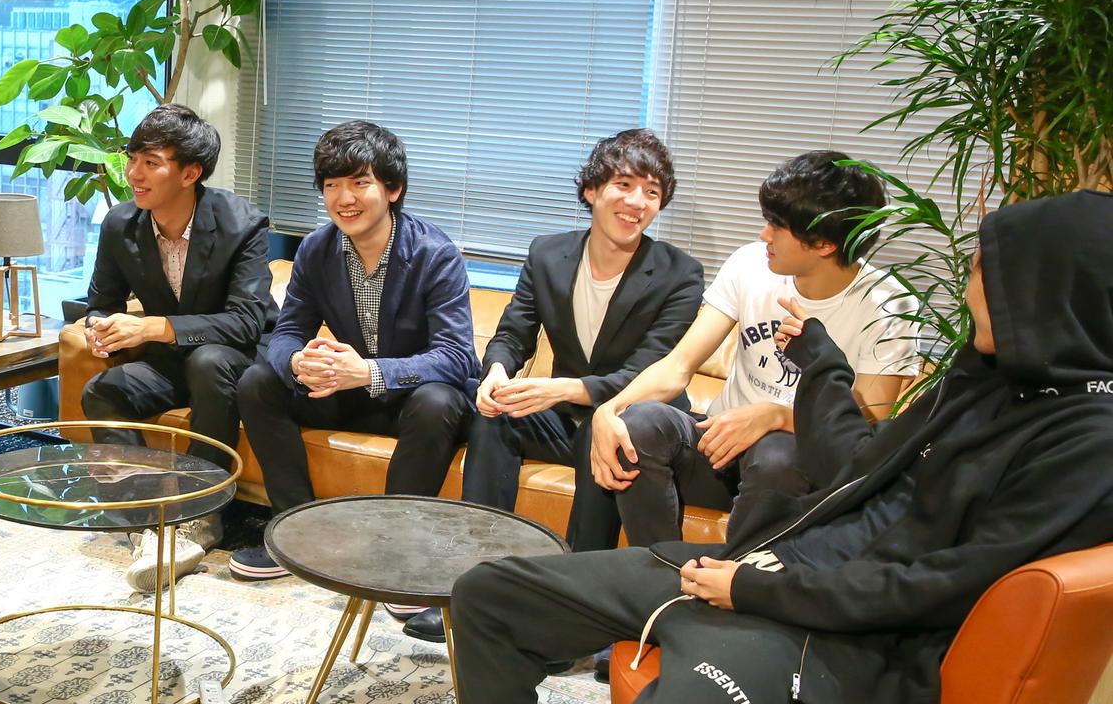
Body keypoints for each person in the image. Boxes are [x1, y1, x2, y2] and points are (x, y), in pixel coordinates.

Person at [452, 188, 1113, 704]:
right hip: (766, 571)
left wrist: (756, 589)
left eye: (980, 270)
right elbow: (859, 467)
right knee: (489, 595)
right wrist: (822, 364)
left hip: (839, 641)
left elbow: (939, 586)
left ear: (1045, 287)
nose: (967, 288)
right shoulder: (986, 377)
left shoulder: (1087, 442)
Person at [401, 130, 703, 642]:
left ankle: (578, 616)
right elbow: (512, 333)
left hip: (635, 420)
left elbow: (648, 371)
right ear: (591, 190)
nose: (637, 202)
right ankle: (474, 590)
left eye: (652, 192)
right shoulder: (547, 254)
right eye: (624, 185)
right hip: (564, 416)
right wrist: (497, 373)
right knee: (494, 417)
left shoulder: (680, 274)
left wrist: (562, 389)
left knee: (602, 436)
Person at [586, 151, 918, 549]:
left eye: (777, 226)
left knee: (778, 450)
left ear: (824, 244)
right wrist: (609, 410)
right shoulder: (749, 264)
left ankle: (734, 578)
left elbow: (869, 422)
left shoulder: (889, 304)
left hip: (797, 470)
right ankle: (658, 568)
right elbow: (678, 365)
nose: (764, 236)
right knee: (639, 422)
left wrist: (776, 416)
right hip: (717, 449)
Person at [230, 120, 479, 581]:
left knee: (438, 400)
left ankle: (394, 553)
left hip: (412, 403)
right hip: (347, 395)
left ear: (393, 189)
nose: (344, 198)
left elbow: (458, 356)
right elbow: (287, 331)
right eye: (331, 185)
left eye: (360, 183)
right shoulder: (316, 249)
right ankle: (297, 534)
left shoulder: (434, 253)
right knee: (259, 380)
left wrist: (368, 372)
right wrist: (298, 361)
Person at [79, 103, 273, 589]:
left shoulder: (241, 223)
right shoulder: (120, 224)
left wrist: (154, 327)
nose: (134, 173)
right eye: (132, 159)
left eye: (151, 162)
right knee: (103, 390)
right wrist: (99, 330)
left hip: (238, 358)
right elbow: (100, 303)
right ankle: (147, 520)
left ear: (190, 173)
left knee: (208, 362)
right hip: (172, 361)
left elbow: (246, 321)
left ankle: (202, 514)